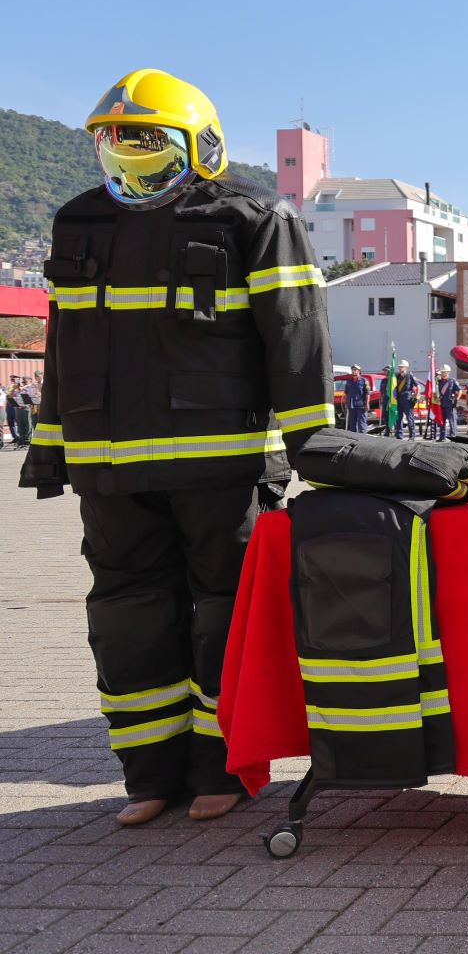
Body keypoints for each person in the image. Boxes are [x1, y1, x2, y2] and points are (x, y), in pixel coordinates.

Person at [20, 68, 332, 826]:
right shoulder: (77, 222)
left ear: (201, 146)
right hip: (110, 469)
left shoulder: (253, 219)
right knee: (127, 618)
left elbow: (294, 337)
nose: (128, 154)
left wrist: (314, 446)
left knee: (221, 614)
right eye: (114, 140)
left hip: (220, 467)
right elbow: (65, 345)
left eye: (146, 139)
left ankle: (225, 768)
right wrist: (51, 445)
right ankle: (148, 774)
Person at [387, 360, 420, 438]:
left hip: (407, 400)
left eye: (402, 366)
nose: (401, 368)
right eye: (400, 366)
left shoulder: (410, 376)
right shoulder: (397, 376)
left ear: (406, 367)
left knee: (410, 419)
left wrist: (416, 398)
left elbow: (418, 387)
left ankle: (412, 436)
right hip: (398, 400)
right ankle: (399, 435)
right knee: (398, 419)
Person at [434, 366, 461, 439]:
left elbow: (459, 390)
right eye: (442, 372)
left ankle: (453, 436)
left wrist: (456, 399)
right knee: (442, 421)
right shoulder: (439, 382)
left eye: (444, 372)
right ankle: (442, 436)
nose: (443, 373)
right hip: (442, 404)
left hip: (450, 404)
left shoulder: (452, 381)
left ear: (448, 372)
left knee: (452, 421)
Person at [343, 364, 368, 432]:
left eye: (355, 370)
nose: (353, 371)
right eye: (352, 370)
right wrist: (346, 403)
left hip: (361, 405)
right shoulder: (349, 381)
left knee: (361, 424)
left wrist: (367, 404)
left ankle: (363, 439)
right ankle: (353, 440)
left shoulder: (364, 381)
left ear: (359, 371)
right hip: (351, 405)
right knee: (352, 424)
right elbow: (346, 393)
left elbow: (367, 393)